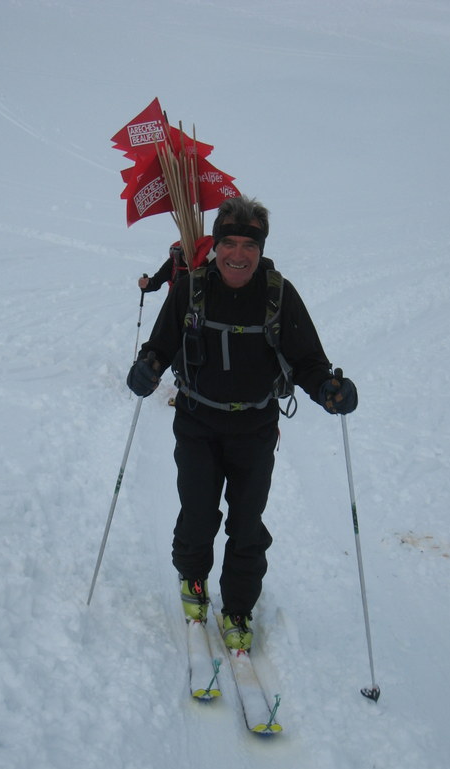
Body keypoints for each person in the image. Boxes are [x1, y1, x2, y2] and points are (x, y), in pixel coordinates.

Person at [126, 195, 357, 651]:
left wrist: (329, 391)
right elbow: (160, 346)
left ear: (261, 247)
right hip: (196, 421)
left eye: (247, 245)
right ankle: (193, 579)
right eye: (228, 243)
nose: (236, 254)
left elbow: (308, 360)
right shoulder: (190, 288)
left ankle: (237, 607)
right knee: (197, 513)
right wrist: (147, 367)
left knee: (247, 522)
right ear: (214, 245)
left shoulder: (279, 294)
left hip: (254, 428)